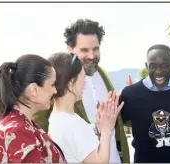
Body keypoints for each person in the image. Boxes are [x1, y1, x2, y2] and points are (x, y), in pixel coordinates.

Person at [33, 18, 129, 163]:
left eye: (95, 49)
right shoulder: (55, 80)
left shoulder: (103, 75)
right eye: (84, 50)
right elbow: (40, 127)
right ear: (70, 50)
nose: (91, 56)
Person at [119, 44, 170, 163]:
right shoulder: (130, 95)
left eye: (164, 66)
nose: (159, 72)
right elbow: (117, 127)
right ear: (146, 66)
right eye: (153, 66)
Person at [47, 52, 123, 163]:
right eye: (83, 76)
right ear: (71, 81)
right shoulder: (71, 124)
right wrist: (106, 130)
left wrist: (99, 126)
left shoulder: (58, 118)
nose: (85, 82)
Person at [0, 54, 66, 163]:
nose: (55, 91)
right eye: (52, 85)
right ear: (34, 89)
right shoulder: (18, 131)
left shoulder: (20, 124)